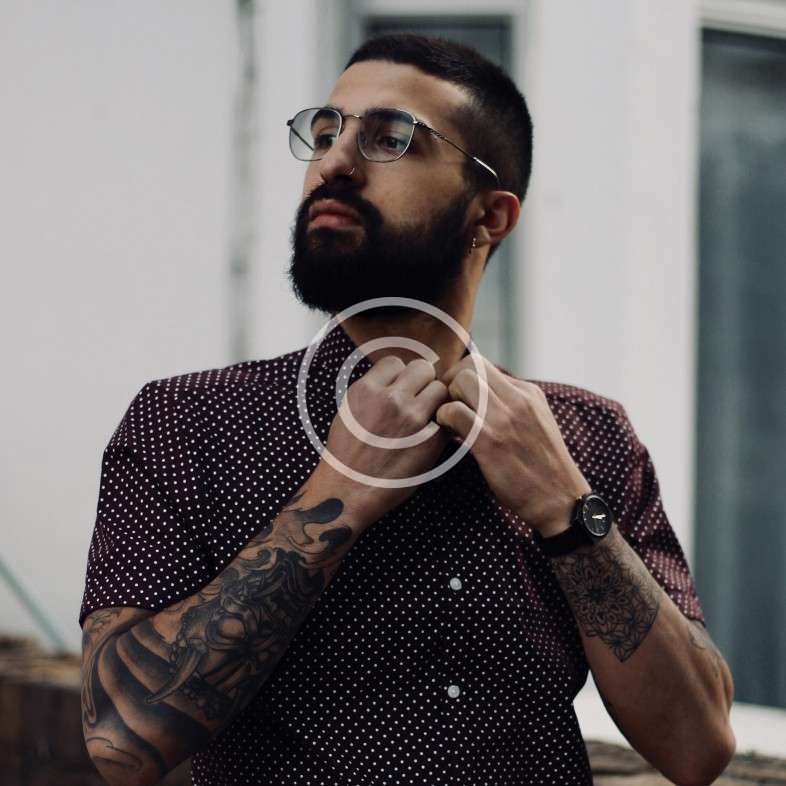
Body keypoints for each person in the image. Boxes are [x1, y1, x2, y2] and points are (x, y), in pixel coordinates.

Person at [79, 33, 735, 786]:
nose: (335, 162)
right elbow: (120, 741)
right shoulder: (189, 423)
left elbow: (697, 747)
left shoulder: (589, 438)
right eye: (326, 132)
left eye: (391, 138)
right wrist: (340, 492)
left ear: (491, 216)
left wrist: (565, 509)